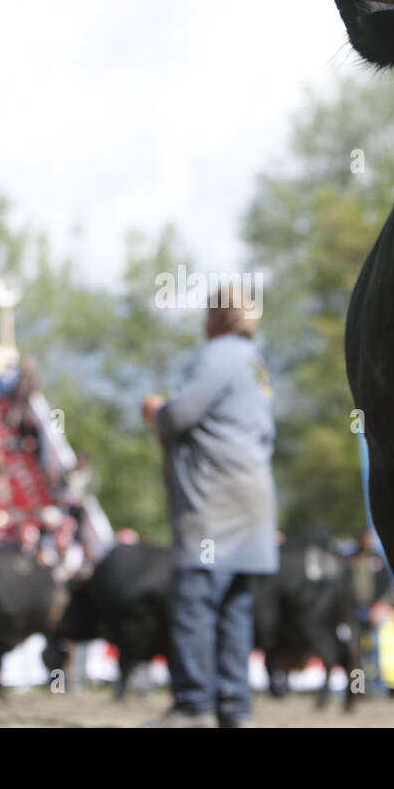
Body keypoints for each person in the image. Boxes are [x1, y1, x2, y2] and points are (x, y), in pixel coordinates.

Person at [142, 284, 277, 727]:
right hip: (253, 500)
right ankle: (235, 709)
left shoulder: (216, 355)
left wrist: (155, 411)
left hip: (213, 502)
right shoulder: (257, 365)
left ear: (218, 315)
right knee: (234, 609)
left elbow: (179, 416)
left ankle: (194, 706)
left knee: (196, 603)